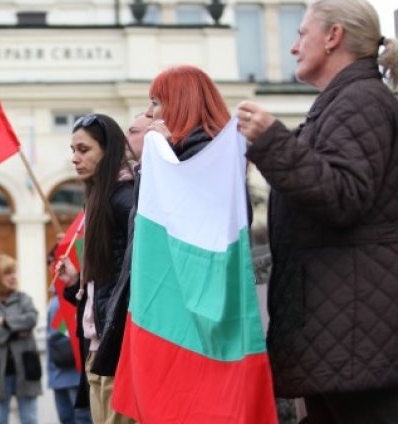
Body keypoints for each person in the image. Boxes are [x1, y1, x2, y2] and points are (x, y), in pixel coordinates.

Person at [237, 0, 398, 422]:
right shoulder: (342, 102)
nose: (292, 47)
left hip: (357, 339)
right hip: (344, 335)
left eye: (300, 33)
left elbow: (343, 194)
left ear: (333, 37)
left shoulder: (360, 101)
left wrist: (273, 142)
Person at [96, 66, 232, 377]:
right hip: (168, 307)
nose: (149, 112)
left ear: (182, 103)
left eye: (156, 102)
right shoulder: (181, 150)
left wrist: (163, 157)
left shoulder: (206, 152)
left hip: (189, 313)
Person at [57, 113, 134, 424]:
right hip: (98, 341)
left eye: (84, 150)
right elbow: (108, 274)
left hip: (117, 341)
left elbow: (131, 273)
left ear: (108, 150)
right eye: (73, 149)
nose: (75, 158)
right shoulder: (99, 198)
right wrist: (78, 282)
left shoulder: (125, 197)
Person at [0, 253, 41, 424]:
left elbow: (31, 319)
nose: (13, 277)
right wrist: (18, 331)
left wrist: (4, 322)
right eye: (7, 273)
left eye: (14, 272)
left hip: (25, 369)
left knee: (30, 419)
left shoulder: (24, 299)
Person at [46, 291, 92, 424]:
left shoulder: (72, 294)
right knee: (66, 417)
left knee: (81, 418)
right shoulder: (56, 298)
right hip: (58, 372)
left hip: (74, 374)